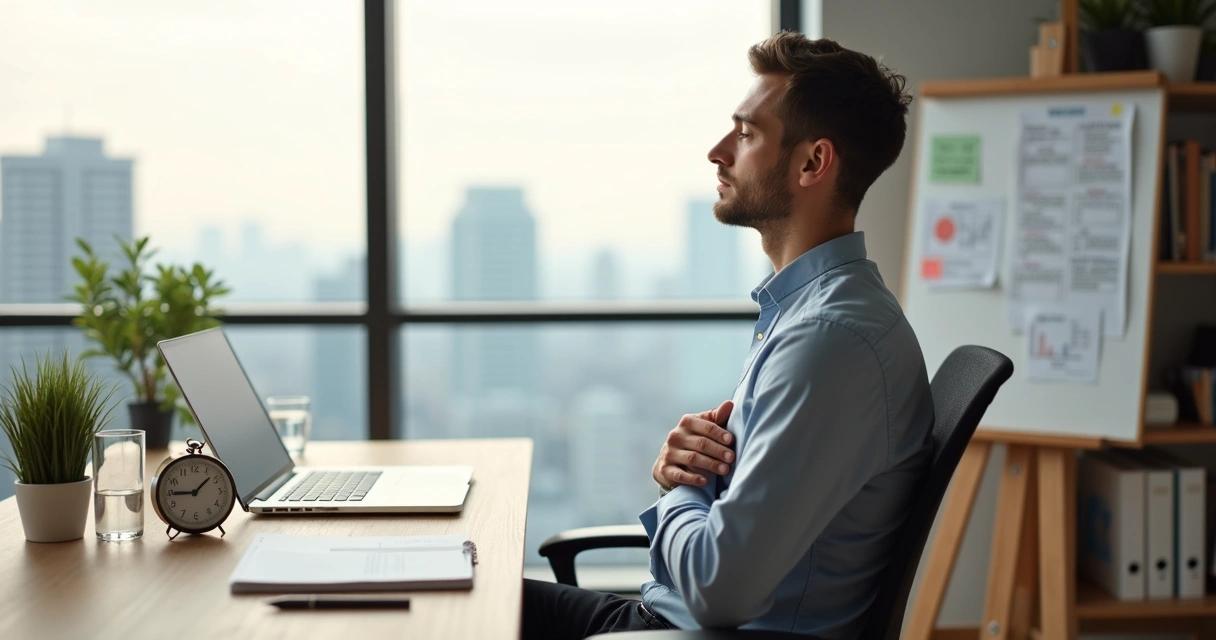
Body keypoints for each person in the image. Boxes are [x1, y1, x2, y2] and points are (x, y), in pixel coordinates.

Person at [522, 31, 934, 639]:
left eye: (745, 134)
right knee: (460, 593)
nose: (718, 152)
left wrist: (679, 490)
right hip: (664, 618)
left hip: (694, 632)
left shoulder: (829, 340)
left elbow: (720, 591)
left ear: (813, 163)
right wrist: (689, 475)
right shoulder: (809, 314)